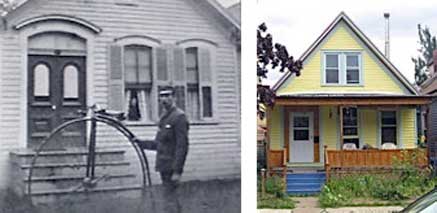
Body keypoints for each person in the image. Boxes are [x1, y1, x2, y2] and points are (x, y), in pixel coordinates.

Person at [133, 86, 189, 211]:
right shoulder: (164, 118)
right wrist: (141, 143)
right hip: (164, 165)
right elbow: (159, 144)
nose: (164, 99)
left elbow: (182, 146)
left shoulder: (179, 117)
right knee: (169, 199)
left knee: (170, 200)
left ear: (174, 98)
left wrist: (177, 171)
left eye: (168, 95)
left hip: (171, 167)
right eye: (162, 96)